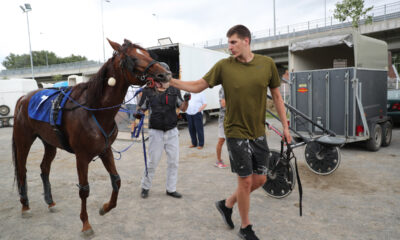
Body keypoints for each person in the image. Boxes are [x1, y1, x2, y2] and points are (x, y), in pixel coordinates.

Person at [170, 25, 291, 240]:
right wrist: (170, 81)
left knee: (261, 180)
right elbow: (198, 85)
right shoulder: (224, 66)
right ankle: (246, 227)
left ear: (246, 41)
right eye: (228, 43)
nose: (230, 47)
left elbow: (278, 98)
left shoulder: (267, 64)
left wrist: (286, 128)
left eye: (233, 42)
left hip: (258, 133)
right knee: (245, 181)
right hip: (235, 132)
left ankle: (227, 204)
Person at [138, 62, 190, 199]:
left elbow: (183, 108)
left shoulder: (174, 90)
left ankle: (171, 189)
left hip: (172, 131)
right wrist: (139, 113)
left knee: (173, 162)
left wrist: (186, 100)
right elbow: (141, 109)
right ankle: (145, 187)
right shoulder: (148, 91)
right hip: (156, 132)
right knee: (152, 162)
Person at [215, 87, 228, 168]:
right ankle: (218, 161)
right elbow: (223, 104)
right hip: (224, 119)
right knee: (221, 140)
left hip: (234, 118)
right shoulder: (223, 88)